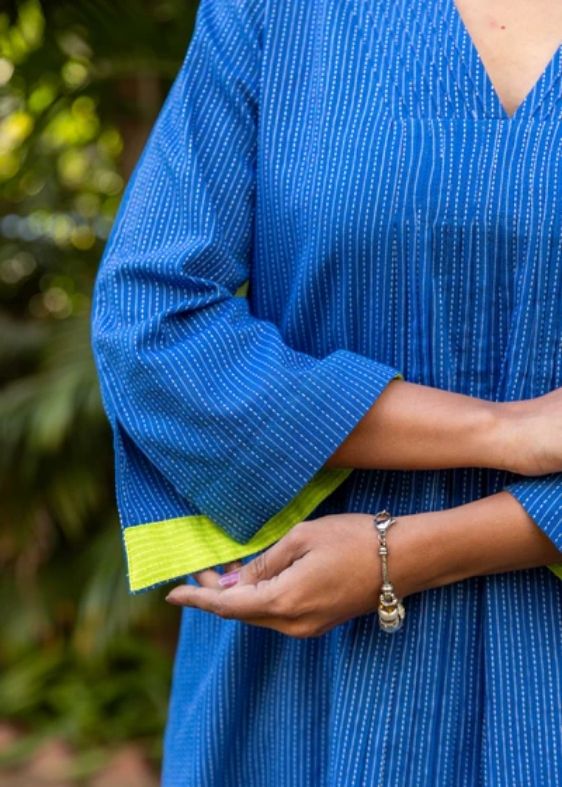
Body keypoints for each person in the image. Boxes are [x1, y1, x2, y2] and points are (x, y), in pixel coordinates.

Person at [90, 0, 562, 783]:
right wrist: (502, 430)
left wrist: (404, 553)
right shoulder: (273, 14)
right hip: (306, 685)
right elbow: (152, 325)